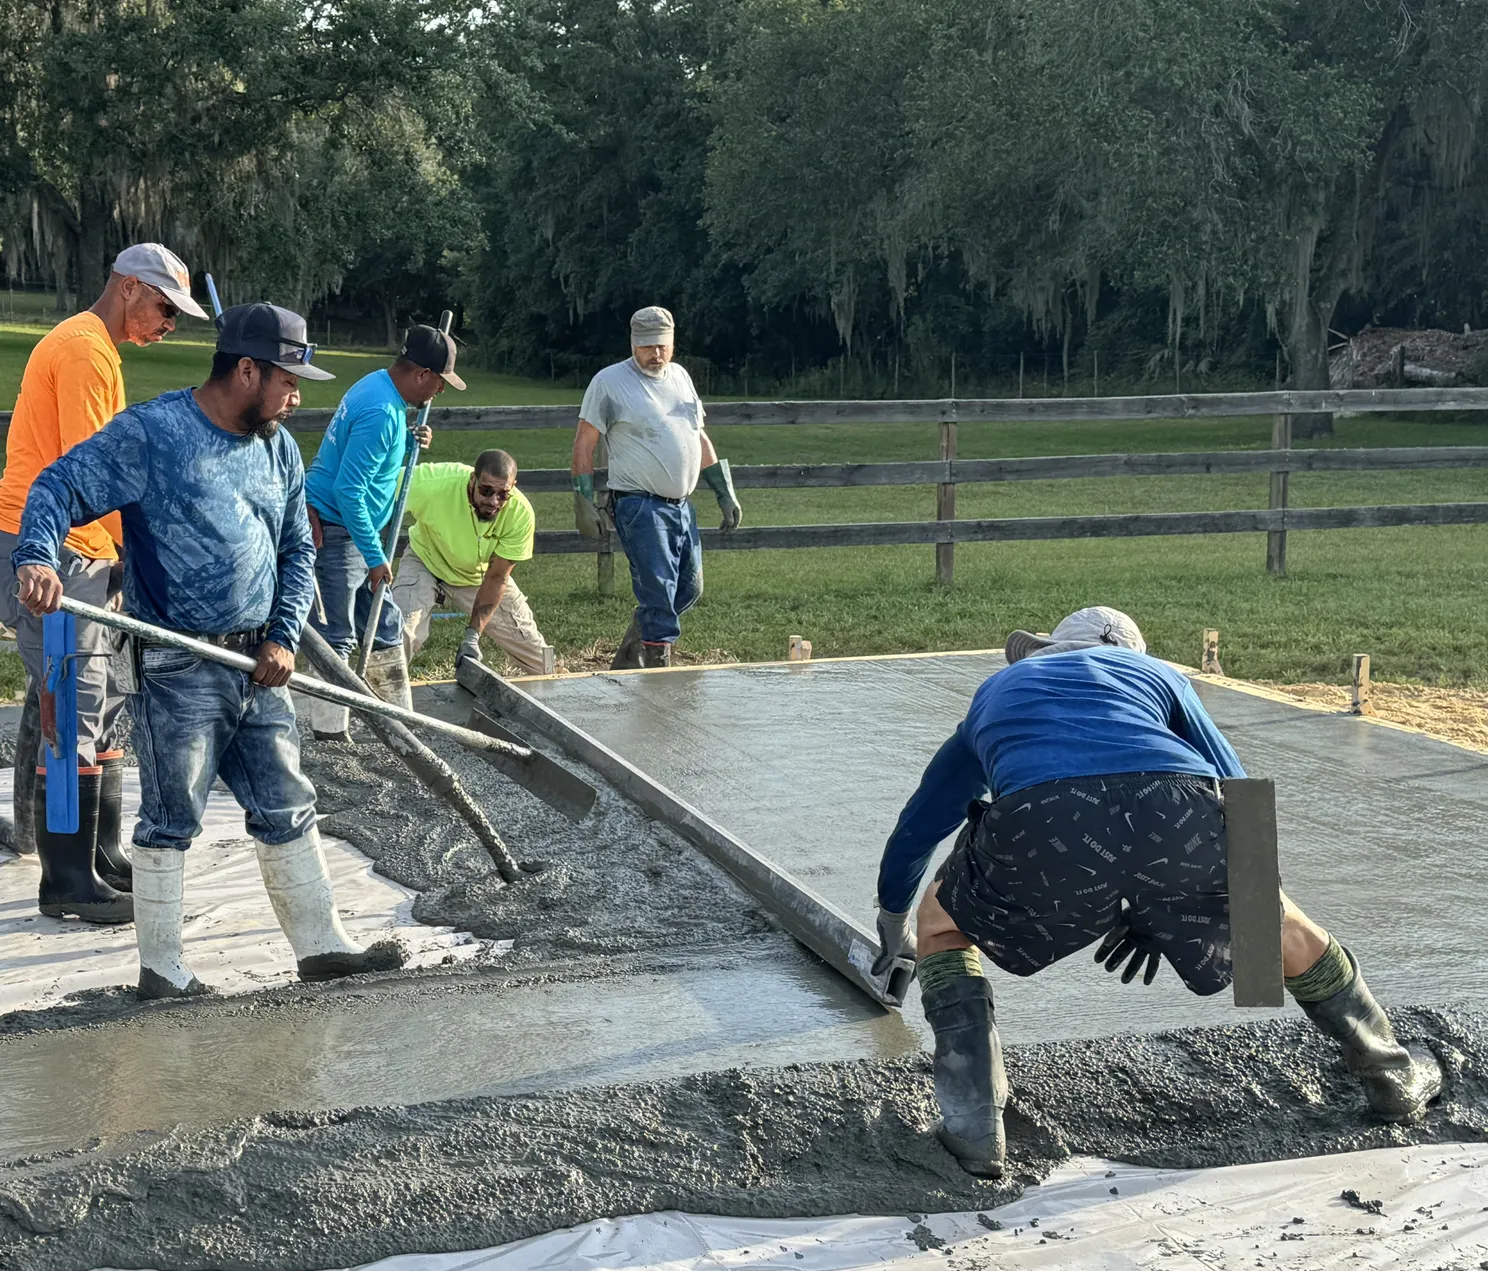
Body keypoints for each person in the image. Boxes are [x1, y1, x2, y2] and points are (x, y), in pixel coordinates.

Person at [872, 606, 1443, 1179]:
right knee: (1281, 924)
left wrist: (894, 922)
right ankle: (1391, 1074)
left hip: (1042, 823)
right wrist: (1205, 913)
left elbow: (921, 824)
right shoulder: (1160, 677)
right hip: (1178, 811)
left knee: (942, 925)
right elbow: (1238, 789)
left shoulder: (1000, 689)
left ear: (1047, 653)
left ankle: (974, 1133)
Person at [12, 302, 405, 998]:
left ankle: (322, 945)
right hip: (179, 668)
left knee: (287, 800)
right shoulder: (154, 436)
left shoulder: (278, 446)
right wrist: (38, 557)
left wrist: (285, 634)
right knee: (172, 816)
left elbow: (295, 550)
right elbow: (57, 485)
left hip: (259, 666)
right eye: (288, 379)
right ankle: (162, 970)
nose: (296, 395)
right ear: (246, 370)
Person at [0, 242, 204, 924]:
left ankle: (99, 857)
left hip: (84, 554)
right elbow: (91, 469)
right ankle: (66, 881)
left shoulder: (99, 350)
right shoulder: (82, 349)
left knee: (100, 708)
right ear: (131, 288)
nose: (169, 325)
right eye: (166, 308)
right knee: (66, 715)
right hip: (47, 555)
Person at [300, 324, 462, 737]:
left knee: (384, 623)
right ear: (422, 374)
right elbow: (349, 489)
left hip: (353, 528)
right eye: (440, 384)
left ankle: (398, 722)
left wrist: (407, 443)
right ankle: (330, 732)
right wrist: (375, 557)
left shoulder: (375, 386)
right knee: (337, 634)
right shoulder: (381, 413)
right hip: (337, 530)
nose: (438, 393)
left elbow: (369, 460)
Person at [570, 305, 742, 669]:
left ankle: (638, 645)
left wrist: (723, 490)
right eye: (647, 346)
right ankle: (659, 672)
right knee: (659, 592)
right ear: (633, 343)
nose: (656, 354)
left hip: (681, 504)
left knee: (690, 589)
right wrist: (583, 500)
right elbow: (585, 441)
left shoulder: (680, 377)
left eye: (662, 345)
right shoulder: (609, 382)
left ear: (673, 342)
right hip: (639, 504)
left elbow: (698, 436)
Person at [389, 449, 555, 676]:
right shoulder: (434, 482)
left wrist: (472, 636)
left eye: (503, 494)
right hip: (425, 560)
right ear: (472, 480)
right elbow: (381, 482)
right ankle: (374, 700)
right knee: (401, 635)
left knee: (538, 656)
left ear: (513, 487)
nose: (493, 501)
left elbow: (497, 577)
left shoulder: (520, 514)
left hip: (478, 576)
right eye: (486, 491)